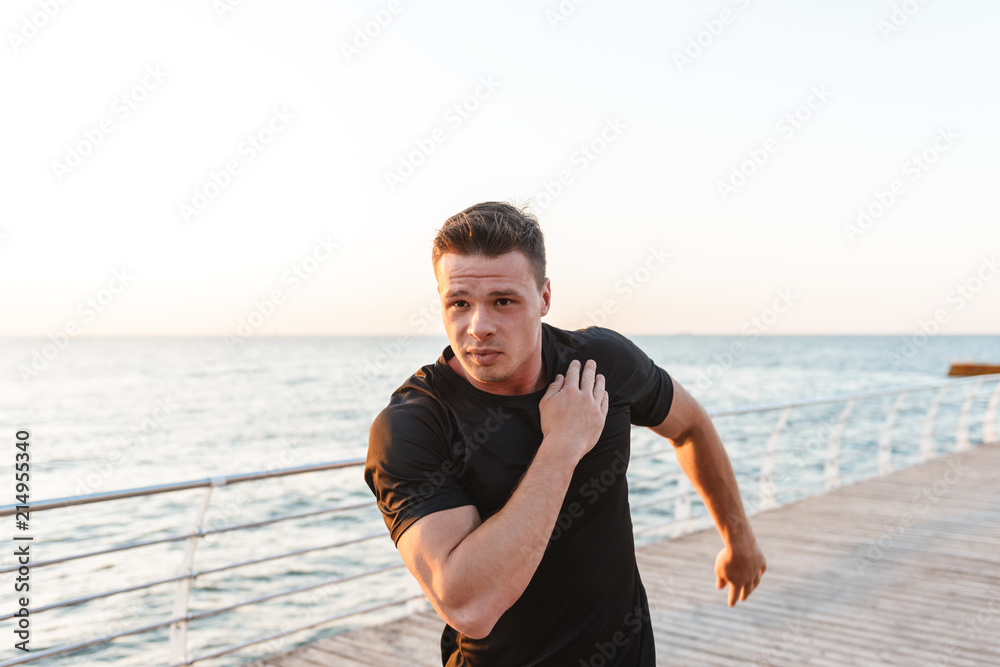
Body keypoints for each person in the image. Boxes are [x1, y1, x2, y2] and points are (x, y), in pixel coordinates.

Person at [365, 201, 766, 666]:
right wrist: (562, 445)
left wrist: (739, 539)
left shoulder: (600, 363)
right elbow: (468, 605)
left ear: (545, 297)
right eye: (459, 303)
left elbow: (691, 426)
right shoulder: (413, 426)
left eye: (503, 301)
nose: (479, 327)